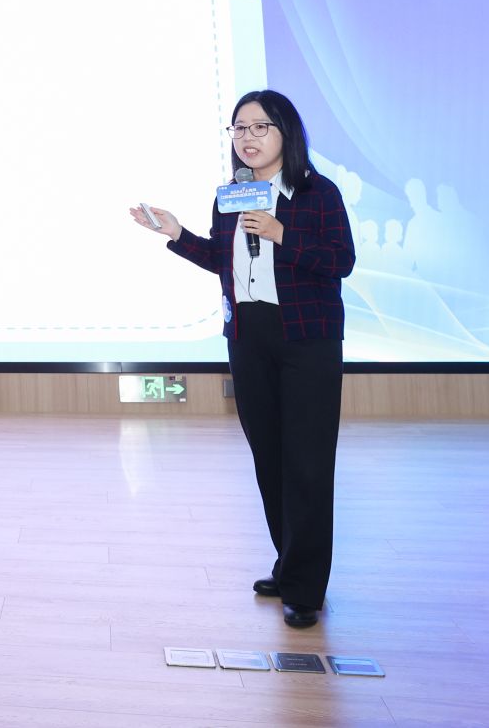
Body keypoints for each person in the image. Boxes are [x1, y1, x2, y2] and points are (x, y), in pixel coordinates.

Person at [130, 89, 355, 629]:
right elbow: (221, 258)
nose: (247, 138)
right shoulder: (231, 195)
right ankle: (289, 564)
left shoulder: (317, 193)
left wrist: (281, 233)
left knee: (306, 464)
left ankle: (306, 589)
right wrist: (177, 234)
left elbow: (341, 261)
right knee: (270, 459)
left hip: (307, 340)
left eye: (259, 127)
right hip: (249, 337)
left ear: (286, 133)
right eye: (239, 128)